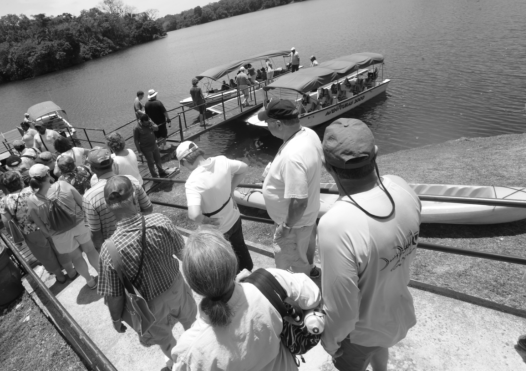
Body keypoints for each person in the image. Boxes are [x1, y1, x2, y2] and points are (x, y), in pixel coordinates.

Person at [318, 119, 421, 371]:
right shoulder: (401, 186)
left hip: (360, 335)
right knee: (380, 349)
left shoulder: (336, 224)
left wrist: (330, 342)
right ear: (376, 153)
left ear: (325, 166)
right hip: (397, 314)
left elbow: (342, 311)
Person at [172, 231, 321, 371]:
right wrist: (249, 284)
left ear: (193, 284)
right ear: (232, 262)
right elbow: (312, 296)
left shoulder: (189, 349)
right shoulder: (269, 282)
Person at [97, 176, 197, 370]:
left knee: (167, 342)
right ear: (135, 196)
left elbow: (115, 296)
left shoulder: (108, 250)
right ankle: (200, 354)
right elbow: (184, 255)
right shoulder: (160, 220)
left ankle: (183, 365)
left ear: (109, 207)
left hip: (148, 307)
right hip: (176, 288)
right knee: (192, 325)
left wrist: (116, 320)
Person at [259, 99, 323, 277]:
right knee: (305, 249)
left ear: (278, 124)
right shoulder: (309, 134)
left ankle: (300, 298)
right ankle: (311, 271)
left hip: (294, 224)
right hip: (308, 217)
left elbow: (299, 201)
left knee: (291, 264)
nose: (266, 126)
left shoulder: (292, 156)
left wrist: (286, 227)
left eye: (268, 122)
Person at [177, 141, 253, 273]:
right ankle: (248, 270)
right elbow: (244, 167)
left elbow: (194, 215)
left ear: (185, 161)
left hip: (218, 229)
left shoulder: (193, 182)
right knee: (240, 245)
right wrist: (231, 190)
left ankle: (234, 281)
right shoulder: (221, 160)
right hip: (234, 217)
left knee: (224, 258)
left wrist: (206, 221)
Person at [27, 164, 100, 289]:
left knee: (76, 258)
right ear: (48, 175)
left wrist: (50, 234)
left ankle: (90, 281)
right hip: (79, 224)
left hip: (58, 234)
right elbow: (82, 202)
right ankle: (104, 275)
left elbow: (39, 224)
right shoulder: (63, 184)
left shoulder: (32, 200)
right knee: (90, 250)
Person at [0, 171, 69, 283]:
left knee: (44, 254)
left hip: (30, 232)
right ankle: (70, 269)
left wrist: (15, 235)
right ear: (20, 181)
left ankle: (59, 276)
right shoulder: (33, 189)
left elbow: (6, 222)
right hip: (48, 223)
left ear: (5, 187)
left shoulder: (5, 201)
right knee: (59, 245)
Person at [83, 148, 152, 249]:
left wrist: (105, 253)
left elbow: (96, 235)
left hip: (116, 248)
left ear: (92, 169)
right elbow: (148, 209)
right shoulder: (132, 180)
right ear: (113, 163)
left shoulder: (89, 197)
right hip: (141, 236)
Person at [134, 114, 168, 178]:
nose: (147, 124)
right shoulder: (136, 128)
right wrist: (139, 152)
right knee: (151, 162)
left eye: (147, 122)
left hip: (154, 145)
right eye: (145, 123)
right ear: (141, 121)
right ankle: (154, 176)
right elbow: (136, 140)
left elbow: (157, 129)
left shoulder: (150, 123)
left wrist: (151, 124)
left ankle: (161, 172)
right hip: (146, 148)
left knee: (158, 159)